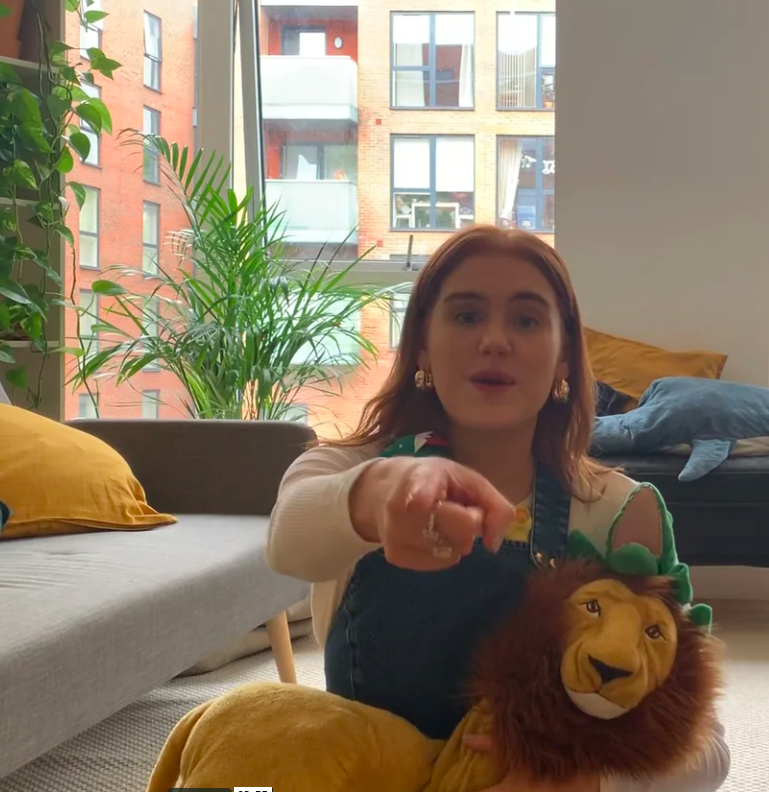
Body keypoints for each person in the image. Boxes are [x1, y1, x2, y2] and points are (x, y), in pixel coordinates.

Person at [266, 226, 730, 792]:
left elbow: (706, 750)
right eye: (466, 316)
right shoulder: (345, 467)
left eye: (526, 320)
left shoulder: (621, 513)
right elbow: (287, 543)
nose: (494, 340)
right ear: (421, 345)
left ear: (564, 359)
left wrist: (590, 782)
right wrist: (379, 493)